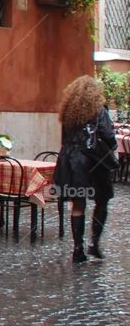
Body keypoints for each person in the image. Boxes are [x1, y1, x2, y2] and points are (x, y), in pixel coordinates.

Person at [54, 75, 118, 262]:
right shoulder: (98, 110)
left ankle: (77, 249)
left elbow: (64, 139)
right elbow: (109, 136)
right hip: (94, 162)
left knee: (78, 203)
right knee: (102, 200)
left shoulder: (68, 113)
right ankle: (94, 244)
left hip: (71, 161)